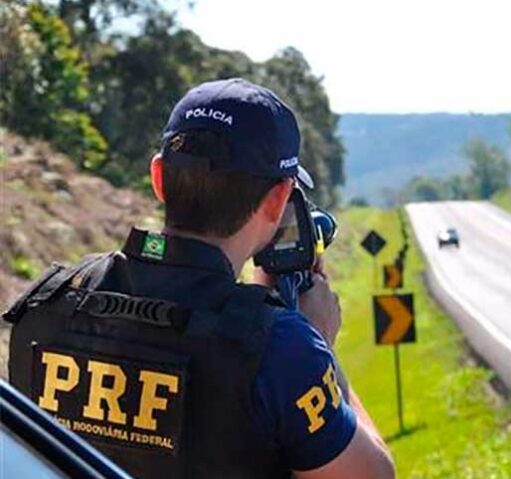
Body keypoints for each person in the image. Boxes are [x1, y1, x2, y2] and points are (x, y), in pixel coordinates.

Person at [3, 78, 395, 479]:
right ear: (279, 199)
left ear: (159, 178)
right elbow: (374, 475)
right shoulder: (282, 348)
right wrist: (320, 348)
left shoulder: (47, 303)